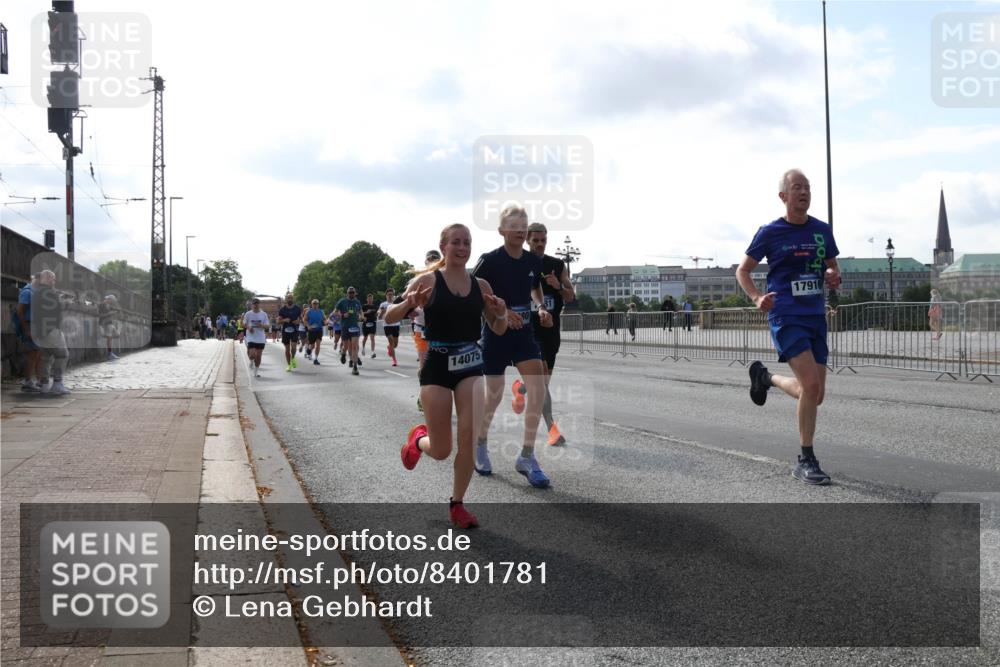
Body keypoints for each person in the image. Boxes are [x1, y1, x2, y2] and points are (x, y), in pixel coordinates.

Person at [388, 223, 508, 528]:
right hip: (438, 365)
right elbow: (388, 316)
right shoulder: (428, 280)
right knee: (441, 450)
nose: (462, 247)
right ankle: (418, 441)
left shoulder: (481, 286)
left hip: (470, 364)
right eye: (456, 242)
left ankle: (457, 505)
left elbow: (498, 328)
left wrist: (501, 311)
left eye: (467, 242)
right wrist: (408, 303)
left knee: (468, 439)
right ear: (443, 247)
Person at [735, 168, 841, 486]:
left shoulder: (822, 231)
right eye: (797, 188)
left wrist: (833, 276)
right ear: (784, 196)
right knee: (810, 387)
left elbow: (832, 266)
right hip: (785, 316)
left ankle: (766, 378)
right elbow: (743, 270)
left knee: (815, 393)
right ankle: (806, 459)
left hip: (815, 316)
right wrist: (756, 297)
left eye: (807, 187)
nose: (804, 192)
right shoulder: (770, 232)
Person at [472, 205, 553, 489]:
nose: (520, 228)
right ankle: (480, 444)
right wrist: (500, 313)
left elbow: (534, 285)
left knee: (538, 388)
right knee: (493, 397)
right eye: (514, 224)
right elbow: (476, 291)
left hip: (524, 333)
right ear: (501, 230)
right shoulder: (489, 261)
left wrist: (540, 307)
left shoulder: (533, 260)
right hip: (496, 332)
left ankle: (527, 456)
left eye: (524, 224)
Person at [514, 221, 575, 447]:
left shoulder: (557, 265)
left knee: (542, 382)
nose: (539, 245)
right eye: (535, 241)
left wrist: (557, 285)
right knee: (541, 384)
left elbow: (570, 297)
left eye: (543, 241)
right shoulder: (519, 264)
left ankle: (520, 388)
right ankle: (552, 428)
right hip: (528, 333)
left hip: (550, 332)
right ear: (527, 241)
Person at [32, 270, 71, 396]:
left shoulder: (37, 293)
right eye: (53, 279)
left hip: (40, 330)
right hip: (51, 329)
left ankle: (44, 384)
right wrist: (65, 303)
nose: (54, 282)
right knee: (62, 355)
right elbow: (57, 309)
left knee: (45, 357)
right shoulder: (50, 293)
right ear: (48, 279)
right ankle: (57, 384)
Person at [15, 275, 42, 391]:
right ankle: (28, 381)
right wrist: (27, 329)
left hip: (35, 325)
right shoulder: (27, 292)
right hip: (29, 325)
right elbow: (20, 312)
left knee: (37, 353)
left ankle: (38, 380)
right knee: (33, 353)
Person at [335, 287, 363, 375]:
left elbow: (361, 311)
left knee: (354, 346)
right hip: (345, 327)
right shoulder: (342, 301)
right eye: (350, 293)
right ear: (347, 293)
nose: (351, 294)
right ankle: (343, 354)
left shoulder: (357, 302)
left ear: (355, 293)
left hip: (354, 326)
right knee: (346, 346)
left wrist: (361, 316)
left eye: (353, 293)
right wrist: (342, 315)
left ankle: (355, 367)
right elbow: (336, 312)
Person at [242, 298, 270, 377]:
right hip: (251, 337)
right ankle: (251, 361)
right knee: (252, 355)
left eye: (257, 303)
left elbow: (268, 325)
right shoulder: (248, 314)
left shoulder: (263, 314)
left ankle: (256, 371)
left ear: (259, 304)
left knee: (258, 355)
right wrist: (248, 327)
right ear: (252, 305)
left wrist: (262, 325)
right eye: (254, 303)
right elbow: (243, 324)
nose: (255, 305)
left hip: (260, 337)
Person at [277, 293, 302, 372]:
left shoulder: (297, 309)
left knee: (294, 347)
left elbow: (302, 319)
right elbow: (278, 321)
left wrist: (298, 321)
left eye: (291, 298)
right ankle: (289, 365)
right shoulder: (282, 310)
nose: (290, 299)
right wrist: (284, 320)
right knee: (287, 349)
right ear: (286, 299)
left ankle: (293, 358)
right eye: (288, 298)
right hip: (285, 331)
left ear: (293, 299)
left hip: (294, 330)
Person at [378, 288, 402, 367]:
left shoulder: (397, 303)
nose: (390, 296)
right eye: (389, 295)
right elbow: (380, 317)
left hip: (396, 325)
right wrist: (382, 312)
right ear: (386, 296)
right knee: (391, 342)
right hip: (387, 326)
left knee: (395, 345)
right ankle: (394, 360)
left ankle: (389, 348)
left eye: (391, 294)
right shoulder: (383, 305)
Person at [98, 294, 120, 360]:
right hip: (105, 323)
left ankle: (110, 353)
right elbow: (100, 315)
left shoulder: (108, 305)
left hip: (110, 323)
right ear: (109, 300)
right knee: (109, 338)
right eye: (112, 301)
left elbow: (114, 310)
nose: (113, 302)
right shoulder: (102, 305)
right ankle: (110, 354)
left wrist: (115, 311)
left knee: (117, 335)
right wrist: (110, 313)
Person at [304, 299, 325, 364]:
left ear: (318, 304)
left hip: (319, 329)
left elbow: (324, 319)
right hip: (312, 330)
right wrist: (308, 326)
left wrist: (326, 321)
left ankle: (316, 359)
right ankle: (309, 349)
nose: (315, 305)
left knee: (318, 344)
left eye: (316, 304)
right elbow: (305, 320)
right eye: (314, 304)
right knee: (312, 345)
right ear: (311, 304)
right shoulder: (309, 312)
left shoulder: (321, 311)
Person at [362, 294, 379, 359]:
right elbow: (360, 314)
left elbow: (377, 313)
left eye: (371, 299)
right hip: (365, 323)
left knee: (372, 338)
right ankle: (363, 348)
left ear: (372, 299)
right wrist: (366, 312)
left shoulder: (375, 306)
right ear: (367, 299)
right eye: (369, 299)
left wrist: (378, 314)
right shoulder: (364, 306)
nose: (370, 300)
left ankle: (373, 352)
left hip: (373, 323)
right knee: (365, 338)